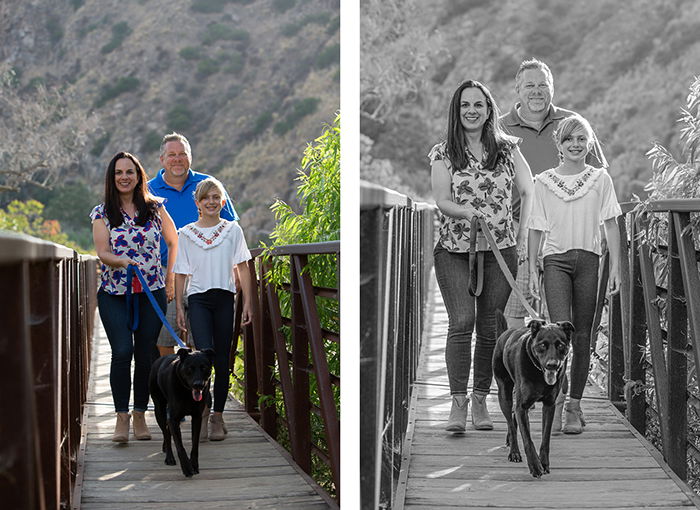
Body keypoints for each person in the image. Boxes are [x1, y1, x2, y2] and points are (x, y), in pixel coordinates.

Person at [430, 79, 534, 433]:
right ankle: (457, 403)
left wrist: (520, 234)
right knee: (461, 322)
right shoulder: (443, 152)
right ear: (456, 112)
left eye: (478, 105)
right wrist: (466, 213)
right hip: (454, 251)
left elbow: (528, 189)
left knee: (490, 326)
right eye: (465, 106)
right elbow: (441, 199)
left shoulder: (508, 149)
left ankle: (480, 399)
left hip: (500, 251)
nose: (471, 111)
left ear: (489, 110)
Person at [528, 114, 621, 434]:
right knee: (558, 334)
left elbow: (611, 224)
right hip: (555, 261)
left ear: (590, 142)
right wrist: (530, 266)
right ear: (560, 143)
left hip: (589, 262)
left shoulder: (600, 179)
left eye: (582, 139)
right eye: (569, 139)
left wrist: (616, 269)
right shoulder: (544, 181)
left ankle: (573, 406)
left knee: (583, 336)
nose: (576, 144)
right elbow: (536, 226)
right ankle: (556, 397)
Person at [501, 58, 607, 330]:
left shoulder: (572, 124)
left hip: (568, 230)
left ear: (552, 88)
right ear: (518, 90)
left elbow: (599, 178)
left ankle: (560, 370)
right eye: (529, 85)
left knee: (562, 315)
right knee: (516, 305)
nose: (536, 91)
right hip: (519, 228)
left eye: (542, 85)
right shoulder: (500, 130)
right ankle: (521, 368)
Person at [91, 151, 178, 443]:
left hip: (151, 293)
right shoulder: (101, 212)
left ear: (139, 175)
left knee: (145, 355)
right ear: (112, 178)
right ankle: (121, 417)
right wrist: (121, 261)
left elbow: (173, 240)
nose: (124, 177)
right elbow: (102, 252)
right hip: (114, 293)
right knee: (121, 352)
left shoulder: (155, 208)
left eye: (130, 172)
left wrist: (170, 279)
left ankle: (140, 413)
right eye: (118, 173)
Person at [173, 177, 255, 441]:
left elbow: (243, 267)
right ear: (197, 203)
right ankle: (205, 409)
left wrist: (248, 304)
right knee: (203, 358)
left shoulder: (233, 231)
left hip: (224, 300)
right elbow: (181, 272)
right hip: (198, 300)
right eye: (205, 198)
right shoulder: (185, 234)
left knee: (222, 361)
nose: (210, 202)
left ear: (222, 202)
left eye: (215, 198)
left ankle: (218, 415)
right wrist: (179, 308)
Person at [148, 132, 239, 358]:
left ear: (190, 157)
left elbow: (232, 229)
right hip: (166, 274)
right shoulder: (148, 191)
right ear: (162, 159)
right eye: (172, 155)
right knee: (165, 337)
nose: (177, 159)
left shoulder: (208, 185)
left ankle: (200, 389)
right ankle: (173, 386)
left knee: (204, 340)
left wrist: (236, 270)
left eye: (182, 154)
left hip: (207, 273)